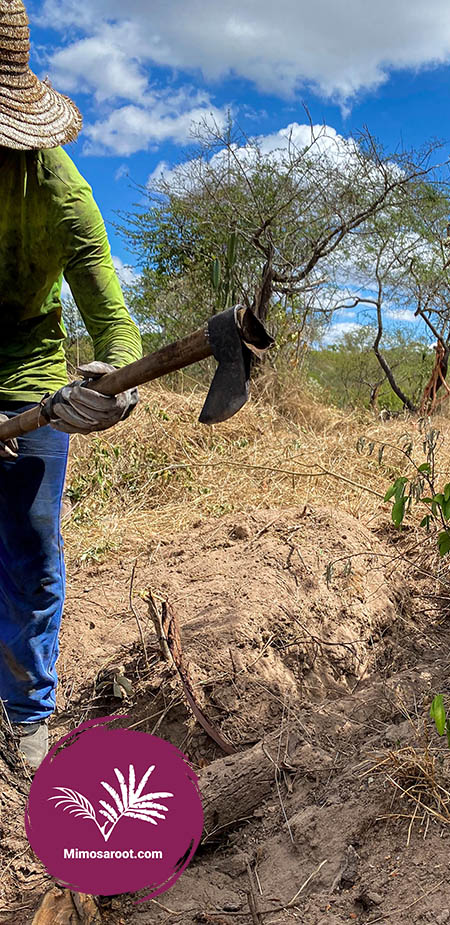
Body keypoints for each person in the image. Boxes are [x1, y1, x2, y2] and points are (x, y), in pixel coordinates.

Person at [0, 0, 143, 768]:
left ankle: (25, 714)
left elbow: (110, 314)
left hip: (27, 377)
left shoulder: (60, 192)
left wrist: (113, 378)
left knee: (31, 543)